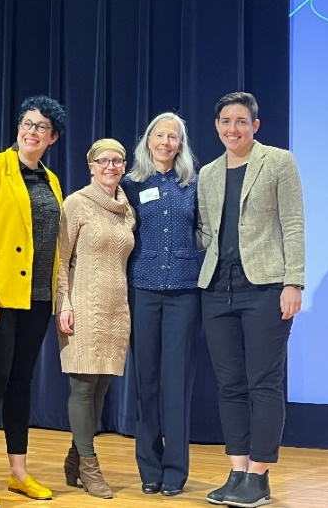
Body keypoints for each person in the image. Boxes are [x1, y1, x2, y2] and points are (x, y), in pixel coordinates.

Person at [0, 95, 66, 508]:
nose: (31, 131)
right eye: (27, 123)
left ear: (52, 137)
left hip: (36, 299)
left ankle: (19, 472)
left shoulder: (52, 181)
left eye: (41, 127)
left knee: (21, 384)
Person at [198, 92, 304, 507]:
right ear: (217, 126)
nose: (232, 129)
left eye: (241, 121)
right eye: (225, 121)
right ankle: (238, 469)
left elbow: (293, 224)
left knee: (264, 381)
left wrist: (293, 281)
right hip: (217, 290)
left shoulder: (279, 162)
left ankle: (259, 475)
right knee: (229, 384)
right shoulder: (208, 173)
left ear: (255, 126)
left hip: (265, 287)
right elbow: (207, 232)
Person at [121, 112, 200, 497]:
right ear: (148, 139)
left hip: (185, 291)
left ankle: (176, 470)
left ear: (181, 144)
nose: (166, 142)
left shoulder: (194, 185)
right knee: (146, 381)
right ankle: (149, 466)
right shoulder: (130, 184)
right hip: (144, 290)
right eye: (159, 134)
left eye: (174, 136)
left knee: (176, 384)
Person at [55, 138, 135, 499]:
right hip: (84, 305)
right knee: (84, 387)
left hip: (116, 308)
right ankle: (89, 465)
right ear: (90, 165)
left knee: (102, 387)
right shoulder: (76, 203)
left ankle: (74, 457)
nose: (110, 166)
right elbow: (60, 259)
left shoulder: (126, 209)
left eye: (117, 161)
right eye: (102, 160)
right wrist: (64, 304)